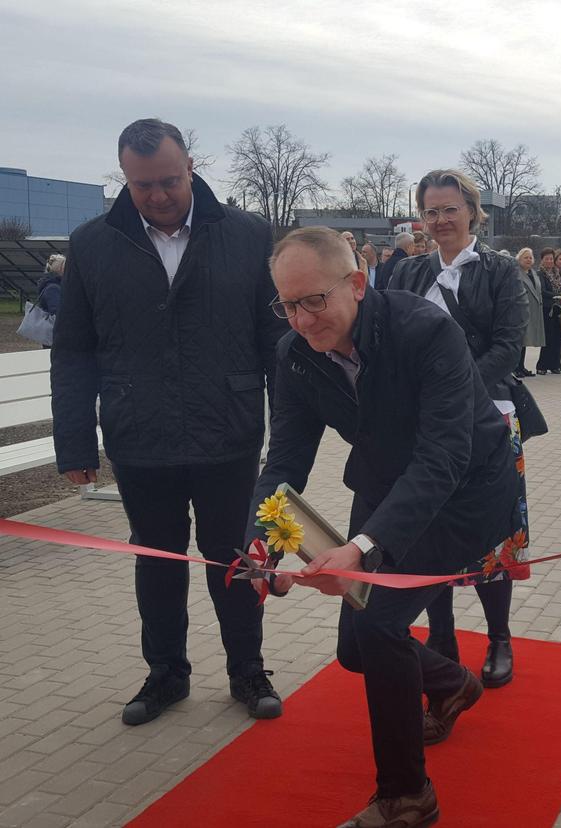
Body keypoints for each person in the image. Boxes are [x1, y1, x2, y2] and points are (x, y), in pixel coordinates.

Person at [255, 227, 524, 827]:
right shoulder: (294, 353)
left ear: (356, 283)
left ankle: (408, 797)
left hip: (465, 492)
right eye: (287, 305)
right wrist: (263, 543)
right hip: (383, 484)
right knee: (356, 648)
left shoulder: (425, 330)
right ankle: (452, 683)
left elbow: (444, 456)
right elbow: (286, 461)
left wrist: (363, 546)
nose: (300, 321)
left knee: (377, 626)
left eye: (313, 301)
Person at [51, 118, 287, 726]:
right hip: (139, 434)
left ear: (191, 167)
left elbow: (274, 338)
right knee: (156, 559)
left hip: (227, 429)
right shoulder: (93, 245)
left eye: (168, 181)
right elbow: (74, 348)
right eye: (141, 184)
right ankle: (166, 674)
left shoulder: (247, 234)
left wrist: (289, 432)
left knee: (232, 558)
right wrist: (75, 440)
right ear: (123, 178)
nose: (157, 195)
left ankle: (247, 669)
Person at [388, 169, 529, 689]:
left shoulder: (499, 270)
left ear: (471, 210)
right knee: (428, 532)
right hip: (423, 426)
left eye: (450, 209)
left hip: (488, 417)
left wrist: (455, 395)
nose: (440, 220)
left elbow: (509, 347)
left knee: (493, 536)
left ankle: (499, 637)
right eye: (431, 211)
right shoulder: (406, 272)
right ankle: (441, 636)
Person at [514, 247, 546, 378]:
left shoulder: (533, 273)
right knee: (520, 342)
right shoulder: (516, 273)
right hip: (520, 311)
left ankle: (522, 366)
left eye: (530, 257)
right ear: (519, 259)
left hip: (533, 311)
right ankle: (516, 368)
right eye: (525, 257)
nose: (528, 259)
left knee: (526, 341)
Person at [536, 247, 561, 375]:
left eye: (551, 259)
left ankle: (554, 364)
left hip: (559, 308)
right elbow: (542, 291)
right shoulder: (540, 274)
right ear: (542, 260)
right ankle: (542, 365)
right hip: (547, 309)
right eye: (546, 259)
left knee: (558, 337)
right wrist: (557, 295)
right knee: (548, 337)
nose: (549, 261)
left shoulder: (557, 273)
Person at [35, 254, 65, 348]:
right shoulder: (53, 288)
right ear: (61, 269)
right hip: (55, 335)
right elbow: (57, 312)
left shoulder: (54, 286)